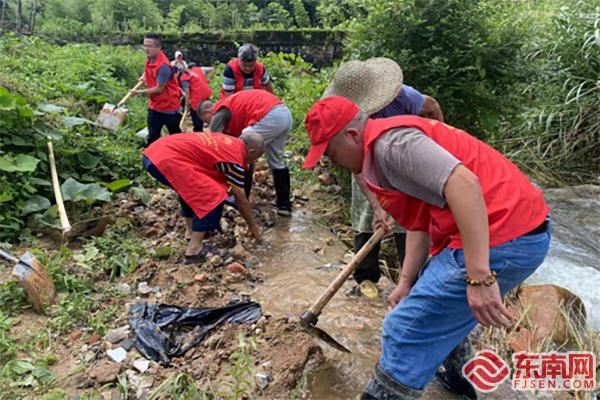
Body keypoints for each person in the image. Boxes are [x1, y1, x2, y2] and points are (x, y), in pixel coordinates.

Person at [303, 96, 551, 399]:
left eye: (330, 153)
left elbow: (464, 185)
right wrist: (406, 282)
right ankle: (459, 384)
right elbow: (419, 222)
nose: (333, 162)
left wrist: (479, 277)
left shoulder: (391, 145)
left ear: (352, 135)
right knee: (434, 309)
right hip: (510, 230)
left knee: (403, 329)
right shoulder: (380, 152)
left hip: (507, 235)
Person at [322, 57, 444, 295]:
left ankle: (412, 281)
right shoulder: (346, 116)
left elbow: (432, 107)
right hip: (366, 162)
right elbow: (357, 169)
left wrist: (436, 139)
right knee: (368, 218)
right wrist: (378, 206)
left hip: (405, 163)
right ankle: (365, 277)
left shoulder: (403, 96)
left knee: (409, 222)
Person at [143, 131, 264, 263]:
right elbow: (241, 200)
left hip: (154, 152)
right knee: (213, 194)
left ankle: (190, 232)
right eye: (256, 158)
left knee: (192, 188)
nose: (254, 161)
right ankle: (194, 250)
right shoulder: (234, 159)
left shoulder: (229, 141)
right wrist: (253, 226)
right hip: (165, 160)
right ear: (252, 151)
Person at [202, 90, 293, 217]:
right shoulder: (230, 105)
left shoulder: (218, 113)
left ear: (208, 112)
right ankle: (284, 205)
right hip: (284, 114)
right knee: (275, 160)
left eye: (205, 120)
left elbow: (217, 142)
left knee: (243, 151)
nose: (207, 124)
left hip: (269, 115)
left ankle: (241, 199)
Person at [131, 33, 182, 146]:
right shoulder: (150, 58)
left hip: (169, 107)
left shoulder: (164, 66)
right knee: (152, 137)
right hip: (155, 106)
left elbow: (159, 89)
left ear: (158, 47)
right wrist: (144, 76)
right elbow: (150, 69)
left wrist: (139, 92)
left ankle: (179, 155)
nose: (146, 49)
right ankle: (151, 158)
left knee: (176, 136)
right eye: (145, 45)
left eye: (150, 46)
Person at [179, 65, 213, 131]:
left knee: (197, 120)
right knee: (207, 114)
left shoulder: (184, 77)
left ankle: (198, 132)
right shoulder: (197, 70)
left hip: (198, 98)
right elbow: (211, 69)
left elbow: (187, 93)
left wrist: (186, 106)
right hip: (206, 95)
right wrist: (208, 80)